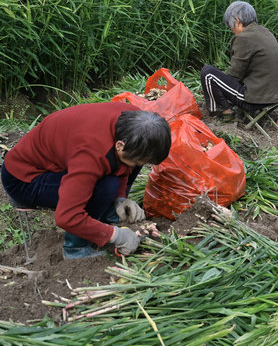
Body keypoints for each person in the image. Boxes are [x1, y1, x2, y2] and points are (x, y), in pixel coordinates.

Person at [1, 104, 171, 259]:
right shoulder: (90, 155)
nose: (135, 167)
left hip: (61, 162)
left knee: (136, 159)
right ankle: (75, 247)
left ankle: (107, 211)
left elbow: (125, 162)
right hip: (24, 179)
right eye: (135, 163)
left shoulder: (137, 123)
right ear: (119, 145)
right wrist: (117, 236)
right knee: (106, 185)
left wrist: (119, 198)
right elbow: (66, 217)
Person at [200, 1, 278, 118]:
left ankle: (223, 112)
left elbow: (235, 75)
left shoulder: (244, 38)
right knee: (218, 79)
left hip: (256, 100)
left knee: (208, 73)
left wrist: (220, 89)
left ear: (237, 21)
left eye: (231, 26)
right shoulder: (265, 32)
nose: (232, 30)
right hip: (276, 96)